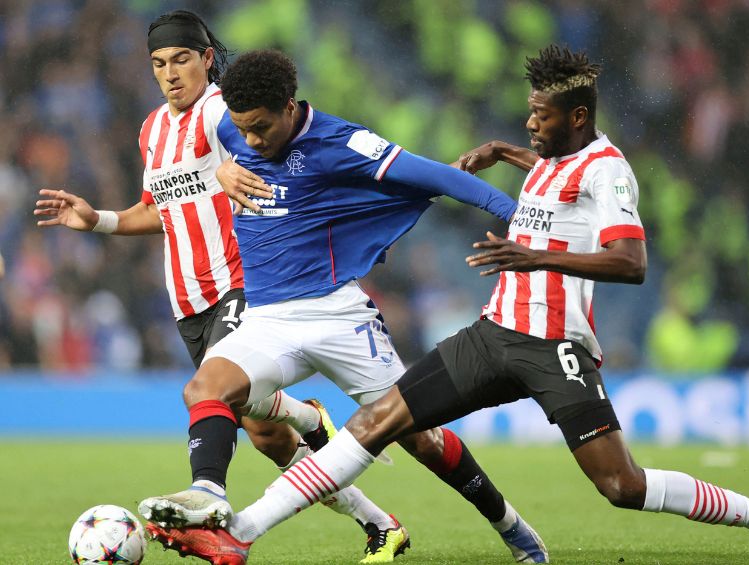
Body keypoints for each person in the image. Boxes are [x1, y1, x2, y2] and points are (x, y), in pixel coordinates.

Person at [153, 45, 749, 565]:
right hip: (491, 334)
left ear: (575, 118)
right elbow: (546, 171)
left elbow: (632, 262)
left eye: (538, 116)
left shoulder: (608, 172)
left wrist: (534, 254)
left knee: (621, 485)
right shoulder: (551, 155)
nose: (528, 121)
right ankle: (239, 531)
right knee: (375, 423)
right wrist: (508, 153)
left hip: (557, 347)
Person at [141, 48, 549, 565]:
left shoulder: (342, 142)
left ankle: (507, 522)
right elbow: (204, 165)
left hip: (337, 316)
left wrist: (521, 218)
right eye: (242, 131)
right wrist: (222, 171)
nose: (251, 142)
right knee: (204, 388)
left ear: (289, 107)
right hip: (267, 319)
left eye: (261, 129)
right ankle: (209, 495)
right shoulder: (233, 133)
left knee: (421, 440)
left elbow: (438, 178)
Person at [32, 10, 407, 562]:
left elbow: (268, 156)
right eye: (159, 64)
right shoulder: (151, 130)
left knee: (222, 397)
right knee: (268, 438)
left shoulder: (223, 114)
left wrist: (237, 166)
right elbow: (161, 208)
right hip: (187, 302)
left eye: (181, 59)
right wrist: (99, 221)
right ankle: (378, 521)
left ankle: (208, 495)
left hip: (241, 284)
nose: (170, 73)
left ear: (206, 58)